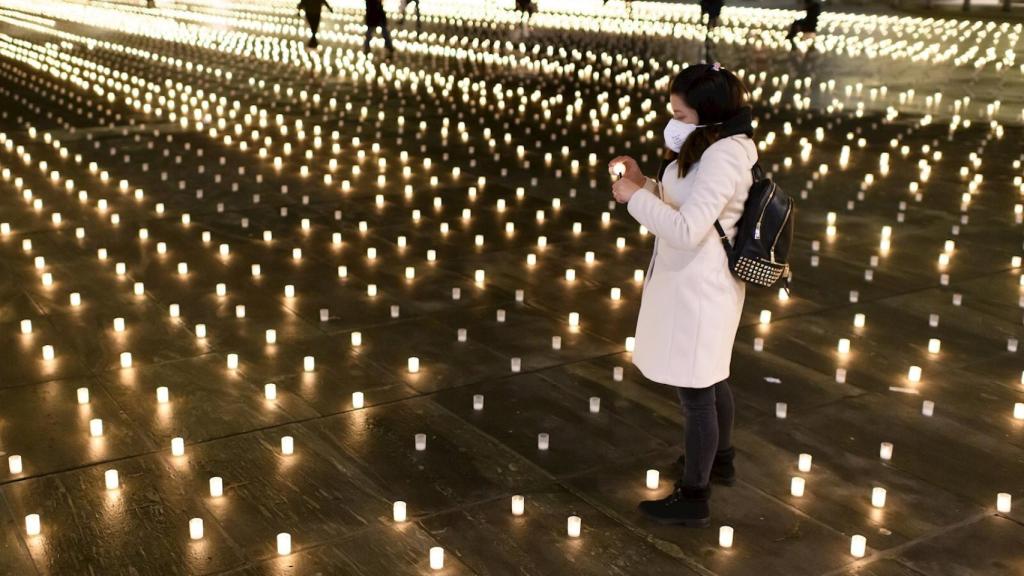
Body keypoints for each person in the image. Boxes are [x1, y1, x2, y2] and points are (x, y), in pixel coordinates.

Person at [608, 62, 756, 527]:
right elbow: (684, 202)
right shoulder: (709, 143)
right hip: (689, 279)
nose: (673, 120)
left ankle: (695, 495)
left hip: (701, 285)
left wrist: (634, 198)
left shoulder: (724, 156)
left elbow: (690, 228)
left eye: (681, 113)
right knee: (710, 376)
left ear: (708, 113)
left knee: (696, 388)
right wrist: (646, 183)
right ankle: (720, 460)